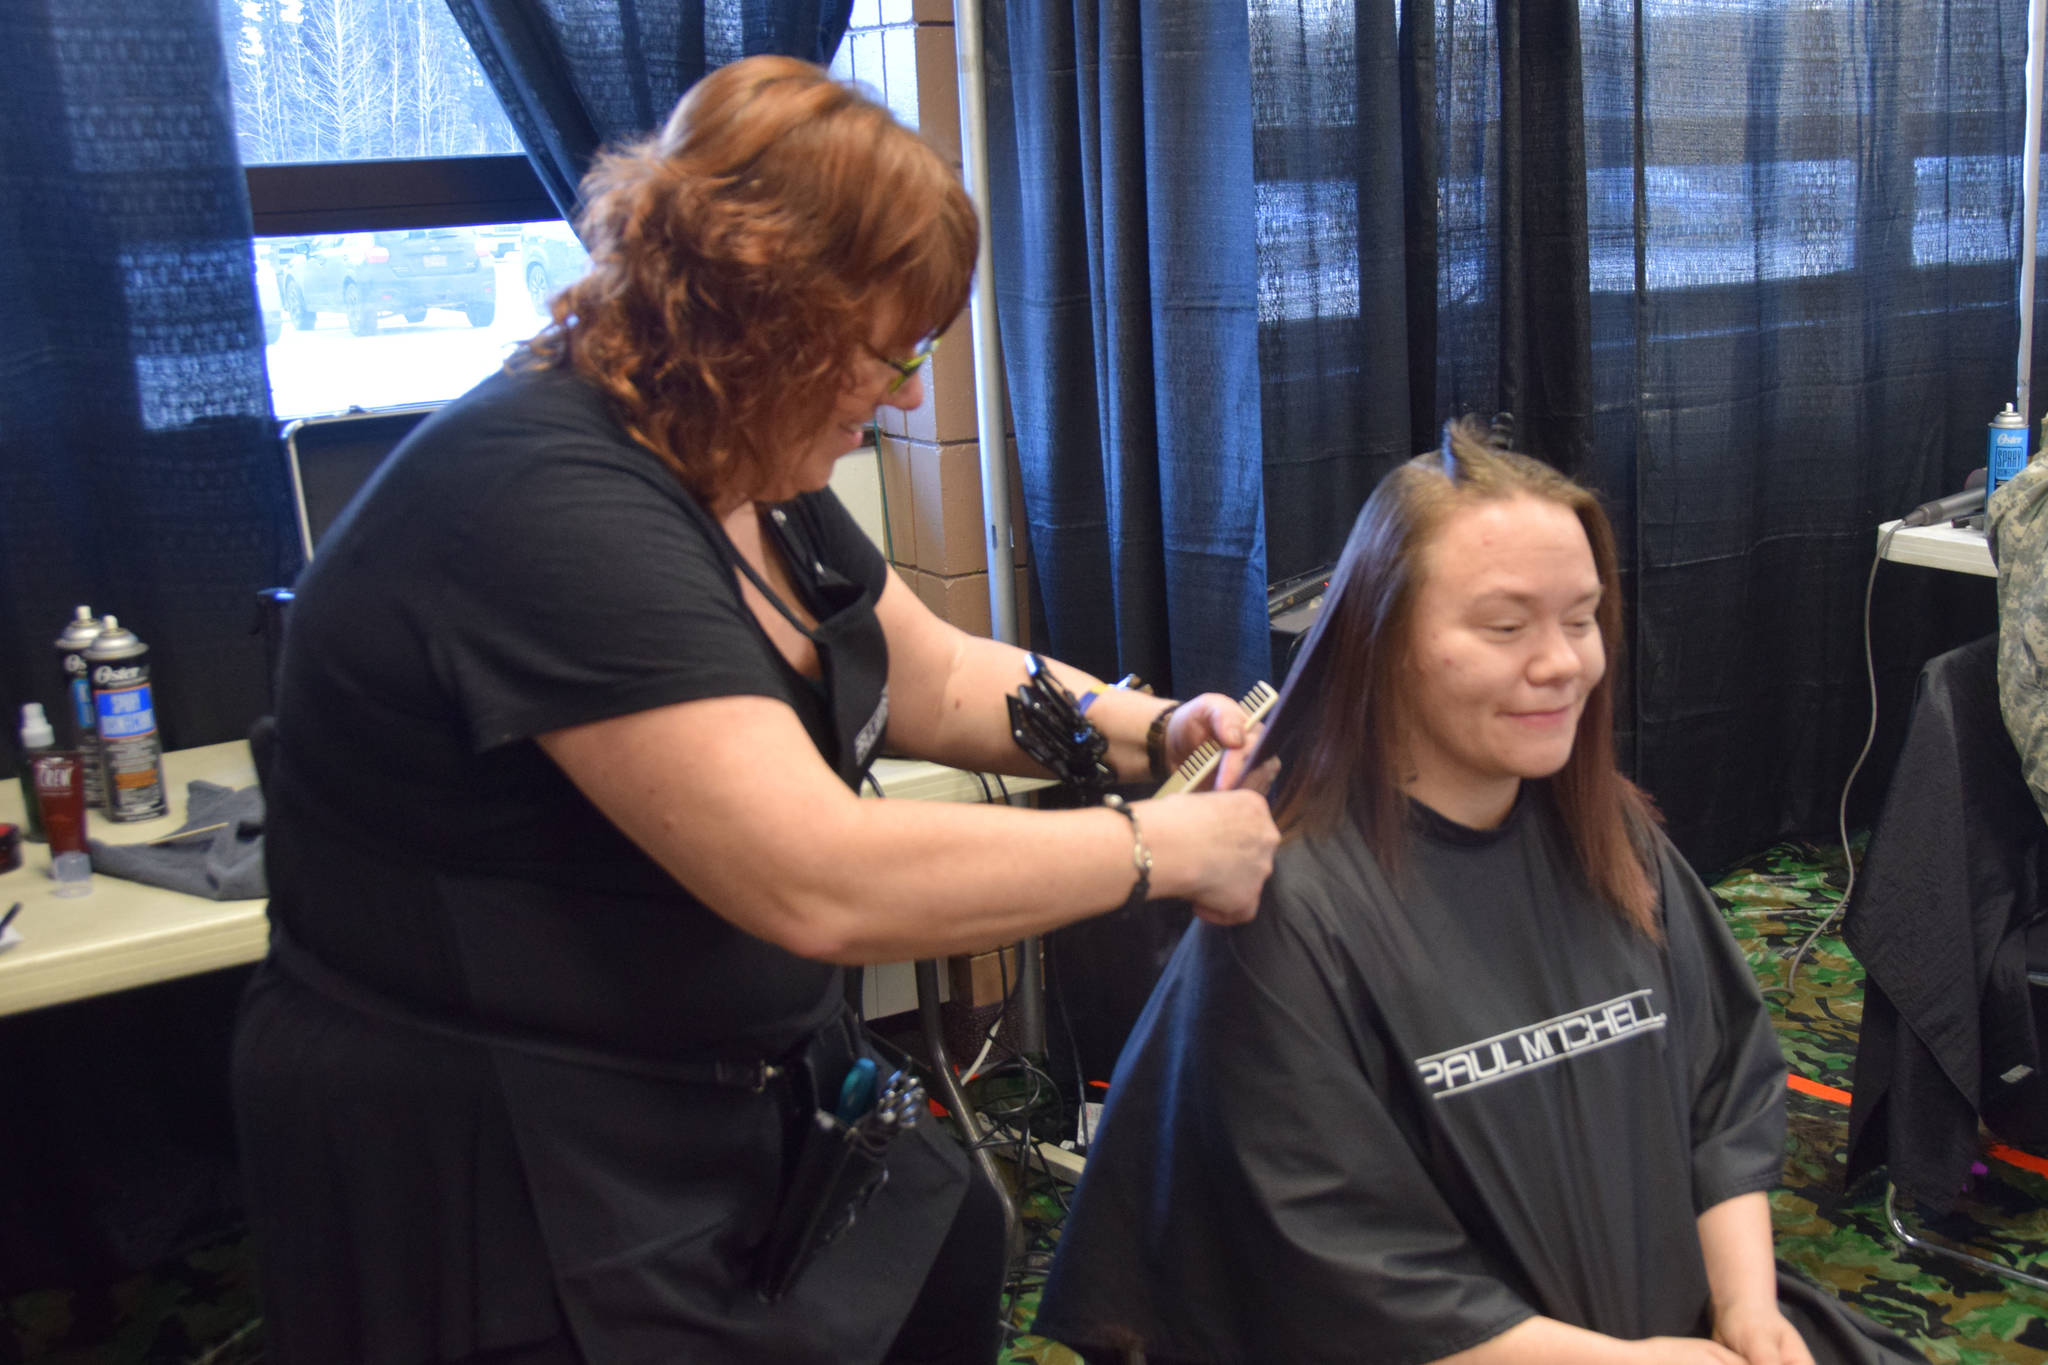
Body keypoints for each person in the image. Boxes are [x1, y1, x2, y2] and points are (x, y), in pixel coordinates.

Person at [230, 55, 1278, 1365]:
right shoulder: (544, 503)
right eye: (890, 351)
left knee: (939, 1251)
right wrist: (1163, 852)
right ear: (761, 317)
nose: (906, 394)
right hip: (506, 1147)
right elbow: (816, 879)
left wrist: (1151, 732)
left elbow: (936, 675)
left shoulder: (737, 454)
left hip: (707, 1098)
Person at [1032, 420, 1920, 1365]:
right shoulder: (1286, 906)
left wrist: (1744, 1308)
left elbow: (1722, 1090)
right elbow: (1344, 1277)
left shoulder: (1608, 834)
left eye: (1581, 619)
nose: (1562, 662)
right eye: (1505, 627)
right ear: (1385, 643)